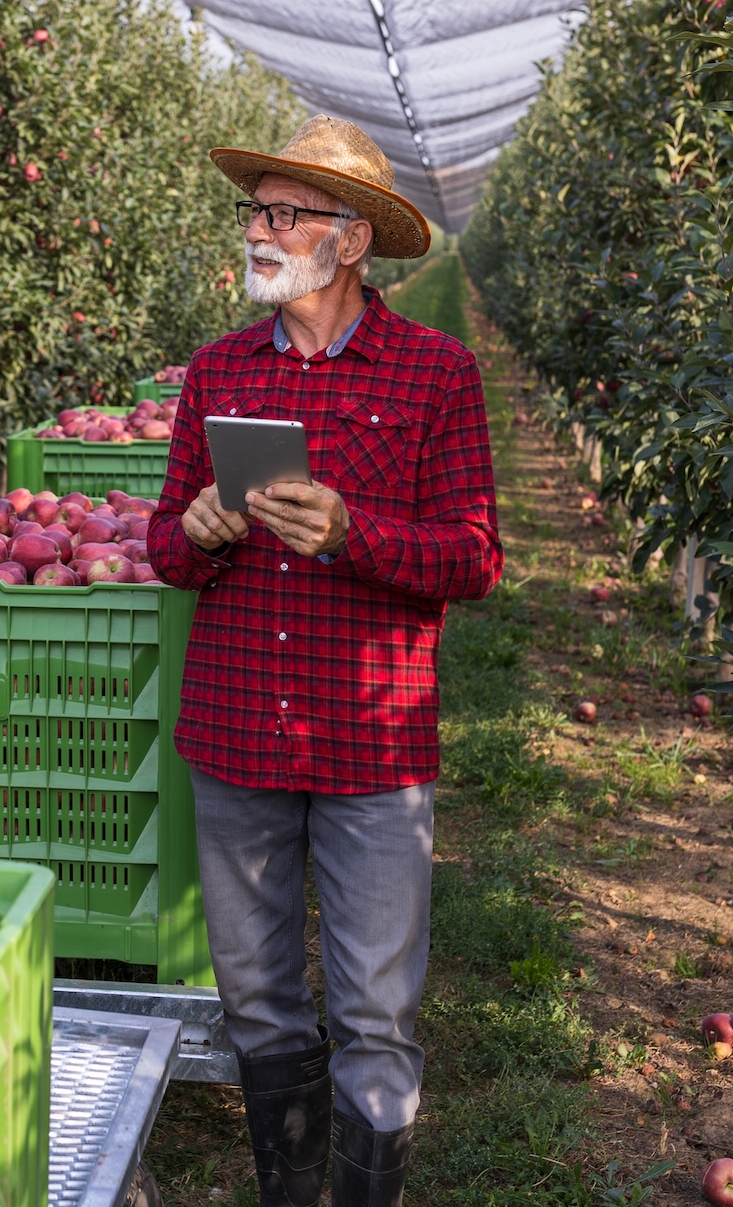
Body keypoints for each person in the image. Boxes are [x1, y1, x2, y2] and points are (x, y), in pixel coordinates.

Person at [146, 116, 502, 1207]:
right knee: (256, 996)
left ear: (348, 243)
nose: (258, 231)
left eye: (281, 213)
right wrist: (200, 533)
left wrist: (357, 533)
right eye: (256, 210)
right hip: (237, 724)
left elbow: (476, 557)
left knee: (376, 1011)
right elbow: (163, 543)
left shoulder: (436, 372)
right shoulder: (217, 371)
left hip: (372, 739)